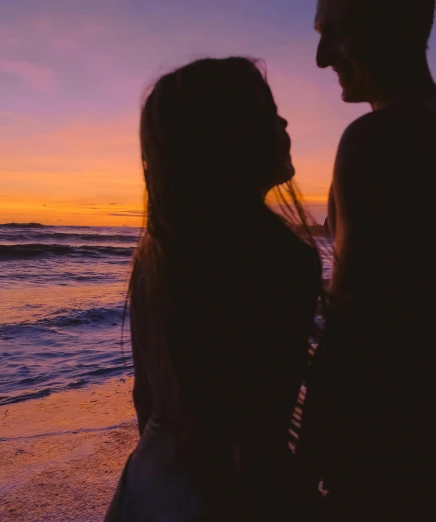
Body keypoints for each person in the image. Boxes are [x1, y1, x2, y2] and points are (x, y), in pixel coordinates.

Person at [296, 0, 436, 520]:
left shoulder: (372, 141)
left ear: (400, 25)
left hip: (391, 442)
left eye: (338, 32)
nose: (321, 56)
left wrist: (304, 465)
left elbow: (348, 313)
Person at [105, 57, 323, 522]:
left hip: (150, 486)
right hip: (233, 497)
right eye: (267, 112)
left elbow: (147, 400)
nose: (283, 122)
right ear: (229, 139)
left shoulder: (158, 255)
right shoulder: (282, 257)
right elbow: (263, 431)